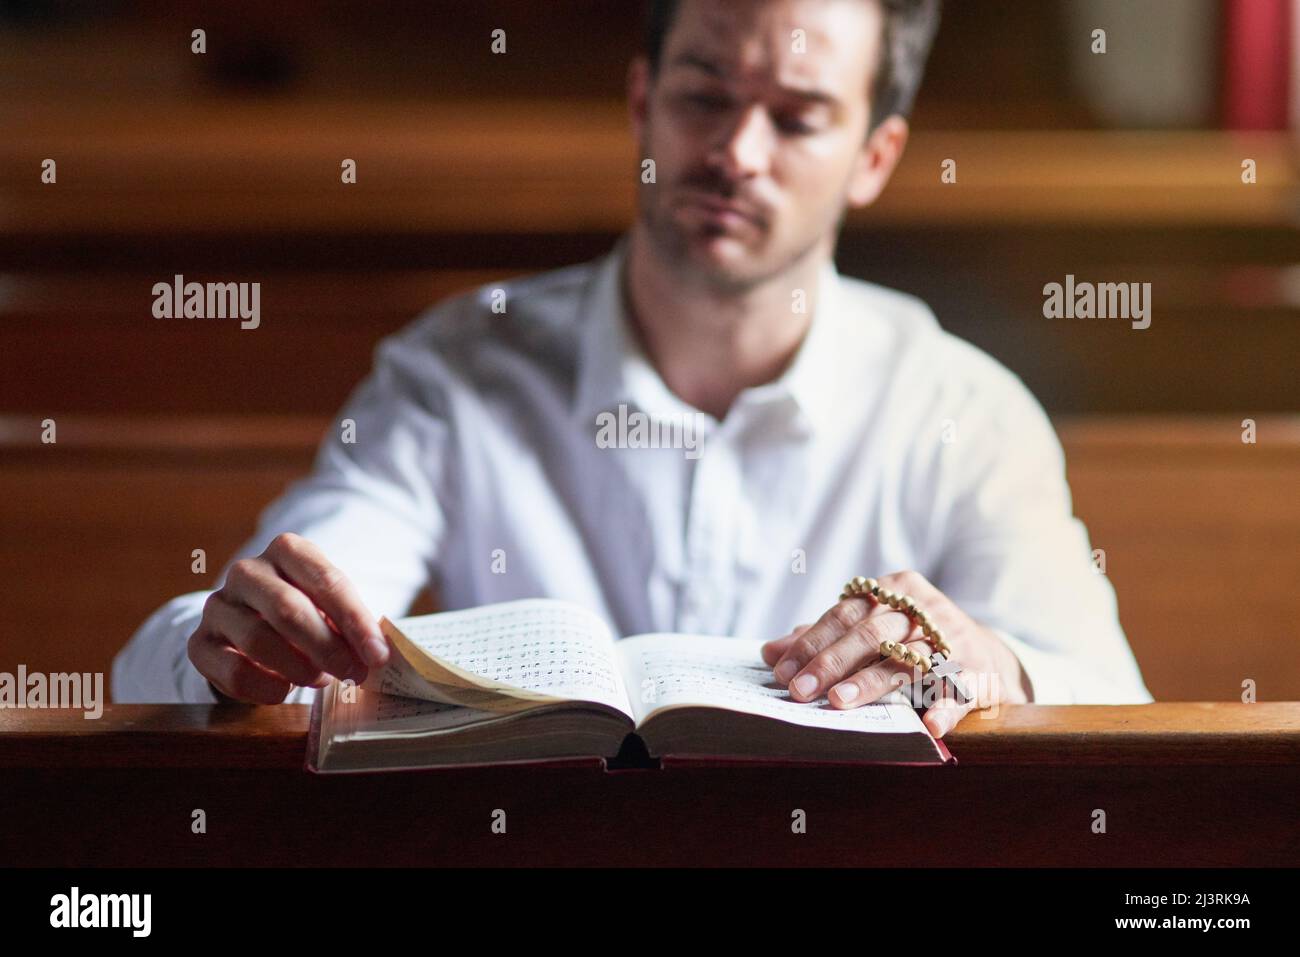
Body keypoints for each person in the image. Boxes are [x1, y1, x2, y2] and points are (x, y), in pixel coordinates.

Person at [112, 0, 1154, 737]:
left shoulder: (966, 410)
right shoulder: (455, 368)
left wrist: (983, 661)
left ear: (873, 157)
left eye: (797, 118)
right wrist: (235, 649)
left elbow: (1113, 701)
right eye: (704, 96)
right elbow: (215, 640)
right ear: (642, 101)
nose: (737, 153)